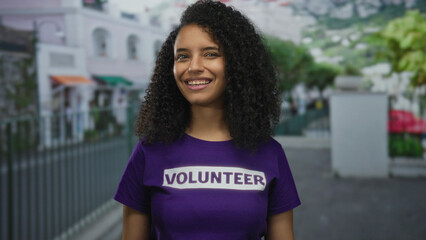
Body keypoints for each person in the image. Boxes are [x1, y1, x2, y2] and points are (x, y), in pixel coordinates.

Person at [114, 1, 301, 239]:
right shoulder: (149, 151)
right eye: (182, 56)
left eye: (210, 54)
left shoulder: (270, 153)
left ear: (237, 64)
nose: (193, 67)